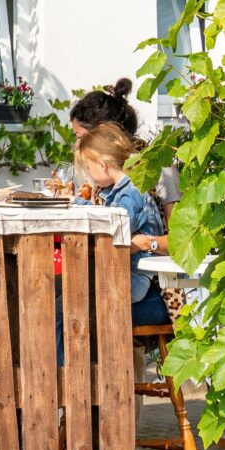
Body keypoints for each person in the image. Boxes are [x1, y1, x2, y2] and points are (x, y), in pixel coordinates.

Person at [72, 123, 172, 328]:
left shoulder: (131, 194)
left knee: (69, 304)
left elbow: (113, 226)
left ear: (102, 165)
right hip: (124, 275)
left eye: (88, 168)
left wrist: (77, 204)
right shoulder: (121, 191)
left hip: (131, 279)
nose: (88, 175)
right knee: (66, 295)